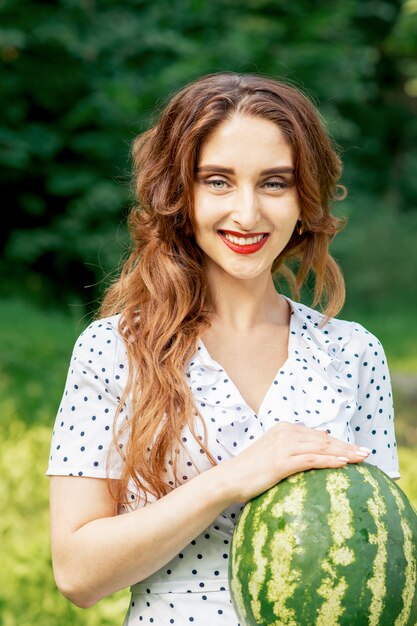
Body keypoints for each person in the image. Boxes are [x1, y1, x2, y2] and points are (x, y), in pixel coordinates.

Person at [46, 72, 400, 625]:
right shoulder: (115, 350)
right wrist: (232, 479)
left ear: (305, 198)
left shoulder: (354, 353)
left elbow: (389, 562)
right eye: (217, 181)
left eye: (275, 183)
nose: (247, 213)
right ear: (179, 194)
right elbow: (77, 574)